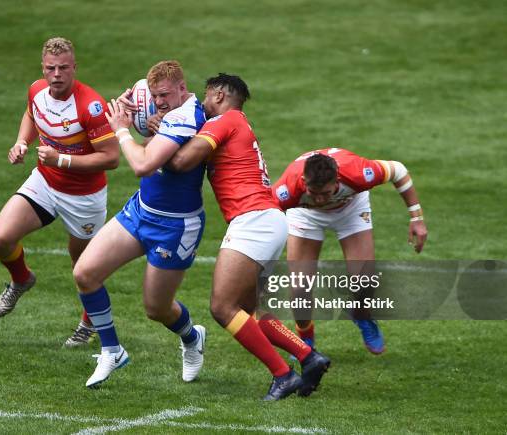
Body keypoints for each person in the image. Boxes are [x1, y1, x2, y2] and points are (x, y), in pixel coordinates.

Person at [168, 73, 330, 401]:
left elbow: (182, 162)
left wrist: (157, 136)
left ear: (219, 95)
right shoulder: (238, 122)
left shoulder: (224, 120)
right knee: (247, 308)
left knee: (222, 307)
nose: (202, 103)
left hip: (252, 220)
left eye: (206, 96)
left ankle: (282, 375)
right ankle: (309, 357)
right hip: (268, 219)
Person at [72, 60, 207, 388]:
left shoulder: (190, 116)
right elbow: (109, 113)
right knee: (85, 274)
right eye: (155, 96)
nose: (159, 101)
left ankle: (191, 338)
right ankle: (111, 350)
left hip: (175, 227)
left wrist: (122, 129)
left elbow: (142, 165)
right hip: (140, 211)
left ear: (182, 88)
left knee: (156, 308)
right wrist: (124, 106)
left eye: (164, 94)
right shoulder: (165, 110)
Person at [0, 37, 119, 349]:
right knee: (0, 238)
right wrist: (22, 142)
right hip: (46, 183)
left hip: (84, 198)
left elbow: (111, 158)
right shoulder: (37, 90)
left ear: (74, 67)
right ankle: (21, 279)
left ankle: (89, 323)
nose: (57, 74)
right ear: (43, 69)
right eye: (51, 68)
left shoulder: (90, 106)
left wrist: (61, 159)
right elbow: (32, 115)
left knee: (84, 270)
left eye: (63, 68)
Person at [272, 148, 428, 354]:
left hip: (351, 210)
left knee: (364, 280)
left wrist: (416, 218)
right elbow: (264, 213)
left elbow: (398, 170)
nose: (320, 200)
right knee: (300, 287)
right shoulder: (287, 188)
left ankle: (361, 315)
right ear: (303, 180)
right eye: (314, 193)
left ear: (337, 180)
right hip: (305, 216)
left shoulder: (357, 172)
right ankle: (305, 339)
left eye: (326, 193)